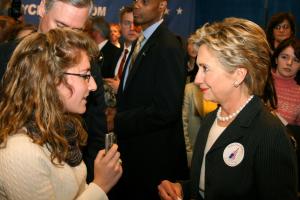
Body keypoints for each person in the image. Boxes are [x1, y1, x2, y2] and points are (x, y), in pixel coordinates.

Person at [158, 17, 297, 200]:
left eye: (205, 68)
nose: (197, 79)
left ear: (238, 75)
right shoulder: (210, 120)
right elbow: (212, 184)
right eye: (198, 68)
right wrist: (183, 189)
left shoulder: (270, 134)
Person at [0, 28, 122, 200]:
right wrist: (101, 185)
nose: (93, 86)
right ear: (52, 79)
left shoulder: (59, 129)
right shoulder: (20, 151)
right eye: (85, 75)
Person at [111, 0, 189, 199]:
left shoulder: (168, 45)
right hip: (134, 155)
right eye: (136, 0)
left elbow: (167, 110)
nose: (137, 5)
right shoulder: (142, 40)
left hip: (154, 161)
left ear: (162, 6)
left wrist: (118, 120)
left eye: (144, 1)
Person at [103, 5, 141, 131]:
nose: (132, 28)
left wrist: (122, 89)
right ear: (120, 25)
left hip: (134, 124)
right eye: (127, 23)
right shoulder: (116, 53)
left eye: (135, 23)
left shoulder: (145, 56)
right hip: (111, 122)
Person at [271, 37, 300, 126]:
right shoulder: (259, 81)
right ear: (276, 59)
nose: (289, 63)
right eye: (284, 57)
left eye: (296, 60)